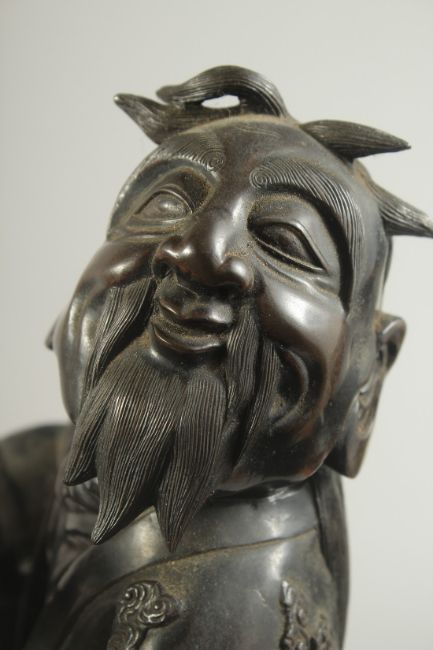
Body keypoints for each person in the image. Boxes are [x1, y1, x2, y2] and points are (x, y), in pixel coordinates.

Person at [1, 66, 431, 649]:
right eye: (165, 204)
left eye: (284, 241)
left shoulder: (232, 613)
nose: (195, 249)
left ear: (371, 371)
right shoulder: (38, 477)